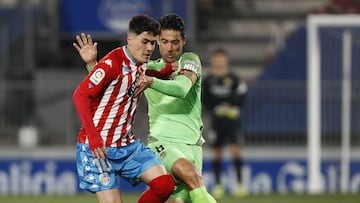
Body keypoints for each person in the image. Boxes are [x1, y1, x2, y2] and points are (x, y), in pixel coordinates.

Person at [74, 14, 217, 203]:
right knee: (192, 177)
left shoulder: (157, 65)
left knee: (173, 192)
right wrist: (94, 65)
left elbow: (116, 86)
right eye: (162, 41)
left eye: (174, 42)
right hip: (144, 143)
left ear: (184, 40)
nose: (168, 47)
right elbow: (86, 92)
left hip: (153, 144)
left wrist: (156, 77)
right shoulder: (130, 64)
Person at [72, 15, 174, 203]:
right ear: (130, 39)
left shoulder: (141, 64)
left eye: (153, 43)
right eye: (145, 42)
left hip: (126, 145)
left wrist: (167, 71)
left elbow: (143, 75)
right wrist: (93, 137)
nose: (150, 48)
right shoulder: (113, 63)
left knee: (164, 185)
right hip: (97, 148)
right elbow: (80, 96)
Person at [202, 48, 248, 198]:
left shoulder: (234, 79)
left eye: (222, 58)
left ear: (226, 60)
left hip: (233, 122)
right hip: (217, 122)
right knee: (217, 154)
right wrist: (215, 108)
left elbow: (242, 94)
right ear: (212, 61)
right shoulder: (208, 80)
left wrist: (234, 107)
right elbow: (204, 99)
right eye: (217, 58)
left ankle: (240, 185)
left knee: (235, 151)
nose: (219, 61)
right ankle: (218, 185)